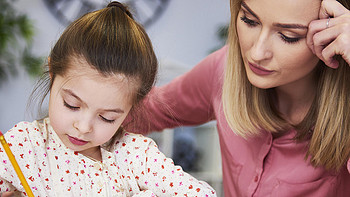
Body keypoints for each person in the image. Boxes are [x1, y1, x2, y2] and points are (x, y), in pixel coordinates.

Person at [123, 0, 350, 196]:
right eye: (249, 20)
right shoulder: (222, 70)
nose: (257, 53)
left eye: (289, 36)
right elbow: (138, 112)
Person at [0, 1, 216, 197]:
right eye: (71, 105)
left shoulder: (136, 155)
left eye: (106, 117)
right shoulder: (23, 145)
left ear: (131, 108)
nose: (83, 127)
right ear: (52, 73)